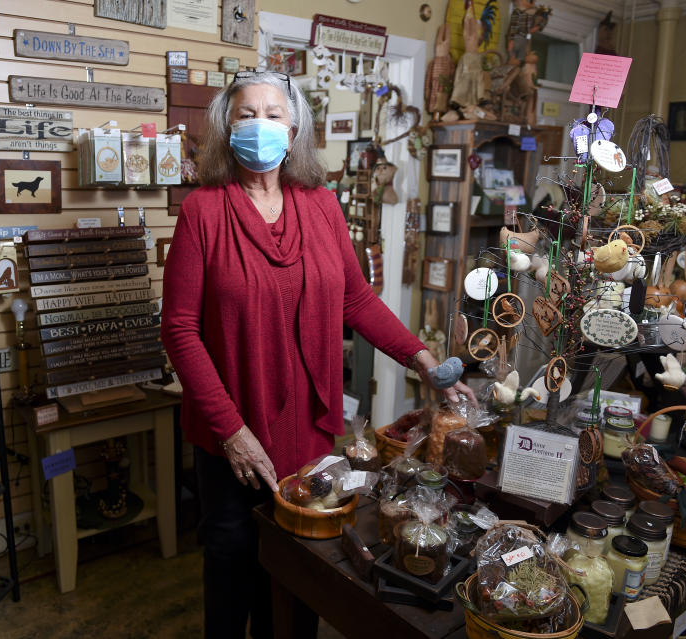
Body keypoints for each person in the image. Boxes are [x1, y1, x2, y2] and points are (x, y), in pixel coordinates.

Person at [161, 70, 477, 639]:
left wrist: (420, 357)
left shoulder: (322, 206)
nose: (260, 125)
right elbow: (180, 329)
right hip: (231, 432)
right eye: (245, 114)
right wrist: (231, 429)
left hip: (304, 429)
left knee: (298, 570)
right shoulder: (203, 212)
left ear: (295, 126)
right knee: (232, 565)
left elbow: (356, 300)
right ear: (225, 126)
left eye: (273, 114)